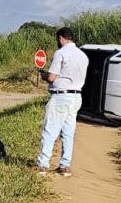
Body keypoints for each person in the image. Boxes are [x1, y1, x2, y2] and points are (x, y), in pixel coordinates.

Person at [37, 27, 89, 177]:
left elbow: (52, 77)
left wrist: (44, 75)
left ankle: (43, 165)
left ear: (60, 38)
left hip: (61, 96)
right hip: (76, 96)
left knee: (50, 130)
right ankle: (65, 166)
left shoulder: (61, 53)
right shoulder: (83, 56)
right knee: (68, 132)